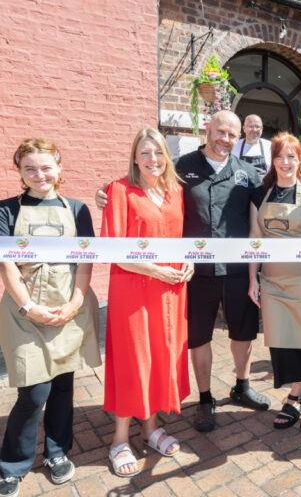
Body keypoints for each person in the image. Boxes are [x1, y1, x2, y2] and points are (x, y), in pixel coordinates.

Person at [95, 111, 270, 437]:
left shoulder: (249, 172)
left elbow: (266, 212)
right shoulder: (182, 167)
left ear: (241, 135)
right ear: (208, 130)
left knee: (243, 332)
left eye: (232, 134)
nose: (225, 139)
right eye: (220, 132)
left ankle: (242, 386)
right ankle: (205, 398)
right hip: (193, 273)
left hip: (235, 270)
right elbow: (145, 180)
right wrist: (105, 192)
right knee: (199, 336)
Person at [0, 139, 101, 497]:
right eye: (30, 169)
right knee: (33, 392)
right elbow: (5, 262)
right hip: (25, 314)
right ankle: (13, 466)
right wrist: (28, 306)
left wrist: (75, 303)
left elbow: (86, 260)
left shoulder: (79, 209)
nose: (40, 175)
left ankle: (57, 452)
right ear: (20, 172)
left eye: (46, 167)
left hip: (68, 307)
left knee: (63, 386)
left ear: (59, 167)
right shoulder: (5, 210)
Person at [101, 128, 193, 477]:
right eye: (145, 153)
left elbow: (184, 239)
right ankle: (119, 438)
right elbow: (116, 251)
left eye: (158, 153)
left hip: (170, 290)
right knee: (133, 359)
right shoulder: (120, 191)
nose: (152, 159)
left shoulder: (175, 192)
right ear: (134, 157)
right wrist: (156, 269)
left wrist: (190, 262)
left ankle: (150, 427)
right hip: (134, 289)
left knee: (160, 354)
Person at [248, 133, 301, 432]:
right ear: (272, 159)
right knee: (282, 345)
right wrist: (252, 279)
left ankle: (296, 396)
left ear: (300, 159)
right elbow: (254, 240)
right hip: (272, 282)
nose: (286, 162)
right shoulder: (260, 194)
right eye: (280, 156)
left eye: (292, 156)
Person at [231, 114, 272, 178]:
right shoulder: (235, 145)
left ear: (262, 129)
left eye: (257, 126)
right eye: (250, 126)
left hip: (263, 187)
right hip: (239, 187)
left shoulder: (270, 146)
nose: (254, 130)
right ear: (244, 129)